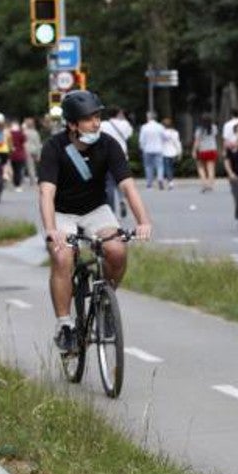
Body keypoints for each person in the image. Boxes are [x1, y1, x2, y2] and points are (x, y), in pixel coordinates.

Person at [40, 90, 152, 353]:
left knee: (116, 250)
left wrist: (143, 221)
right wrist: (51, 230)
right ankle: (65, 325)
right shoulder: (54, 148)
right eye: (88, 119)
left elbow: (128, 187)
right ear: (72, 124)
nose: (95, 123)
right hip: (63, 212)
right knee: (63, 257)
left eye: (97, 117)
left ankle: (104, 304)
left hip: (96, 209)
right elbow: (46, 192)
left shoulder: (108, 145)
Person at [101, 107, 135, 211]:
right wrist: (124, 118)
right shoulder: (125, 124)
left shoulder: (103, 124)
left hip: (107, 156)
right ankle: (122, 200)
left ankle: (111, 209)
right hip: (122, 156)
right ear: (119, 113)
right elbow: (129, 134)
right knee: (122, 181)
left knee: (109, 184)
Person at [137, 111, 165, 190]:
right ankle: (160, 178)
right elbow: (164, 137)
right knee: (160, 166)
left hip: (147, 149)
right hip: (158, 148)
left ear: (148, 117)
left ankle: (149, 184)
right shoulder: (160, 126)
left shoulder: (144, 127)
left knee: (148, 167)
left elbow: (141, 140)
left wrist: (141, 148)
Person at [192, 113, 220, 193]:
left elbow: (197, 142)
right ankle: (210, 185)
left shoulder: (199, 130)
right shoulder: (214, 128)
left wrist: (194, 150)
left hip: (202, 150)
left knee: (201, 168)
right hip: (212, 149)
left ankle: (204, 184)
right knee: (211, 168)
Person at [161, 117, 181, 190]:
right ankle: (170, 181)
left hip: (164, 152)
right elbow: (177, 143)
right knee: (171, 168)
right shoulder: (175, 132)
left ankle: (168, 182)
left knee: (166, 168)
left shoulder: (161, 133)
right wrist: (179, 152)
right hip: (173, 152)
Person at [22, 116, 43, 184]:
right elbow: (38, 143)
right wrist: (39, 154)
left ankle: (31, 180)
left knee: (29, 165)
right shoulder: (35, 132)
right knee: (34, 165)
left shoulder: (24, 132)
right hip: (34, 149)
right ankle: (36, 178)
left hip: (26, 150)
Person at [9, 120, 28, 190]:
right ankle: (18, 185)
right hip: (20, 154)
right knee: (19, 170)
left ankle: (14, 183)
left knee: (14, 169)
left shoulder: (9, 133)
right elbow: (25, 140)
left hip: (12, 154)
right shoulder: (20, 134)